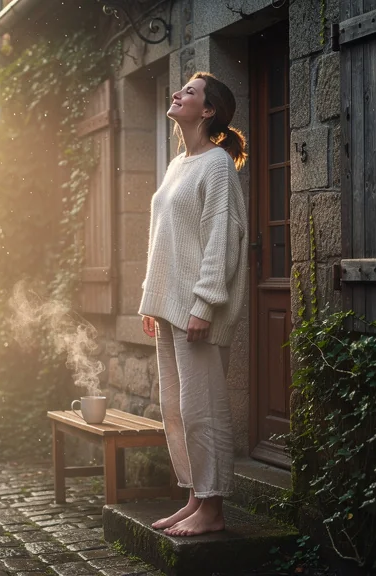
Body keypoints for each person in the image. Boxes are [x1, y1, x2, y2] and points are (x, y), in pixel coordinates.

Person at [139, 72, 248, 537]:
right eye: (181, 87)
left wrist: (203, 304)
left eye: (190, 91)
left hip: (197, 310)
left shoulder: (218, 164)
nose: (178, 93)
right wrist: (152, 296)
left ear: (208, 111)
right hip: (169, 307)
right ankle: (194, 498)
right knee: (177, 409)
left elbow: (221, 239)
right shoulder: (176, 165)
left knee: (204, 409)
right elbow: (164, 239)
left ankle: (213, 509)